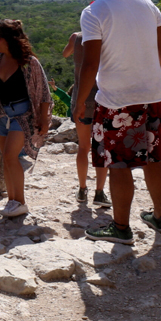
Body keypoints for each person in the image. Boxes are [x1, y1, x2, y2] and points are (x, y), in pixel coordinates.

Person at [73, 0, 161, 244]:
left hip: (117, 101)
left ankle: (120, 227)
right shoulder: (147, 3)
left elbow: (90, 63)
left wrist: (80, 101)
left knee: (118, 163)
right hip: (152, 95)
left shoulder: (94, 11)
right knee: (154, 159)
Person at [0, 19, 53, 218]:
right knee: (6, 159)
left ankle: (20, 202)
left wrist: (44, 120)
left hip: (23, 115)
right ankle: (11, 201)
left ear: (9, 39)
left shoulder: (29, 62)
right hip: (2, 115)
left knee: (11, 157)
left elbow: (43, 92)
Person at [61, 21, 110, 208]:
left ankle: (82, 189)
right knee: (101, 148)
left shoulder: (76, 37)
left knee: (83, 147)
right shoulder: (107, 39)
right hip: (102, 99)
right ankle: (100, 192)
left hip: (80, 99)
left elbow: (65, 54)